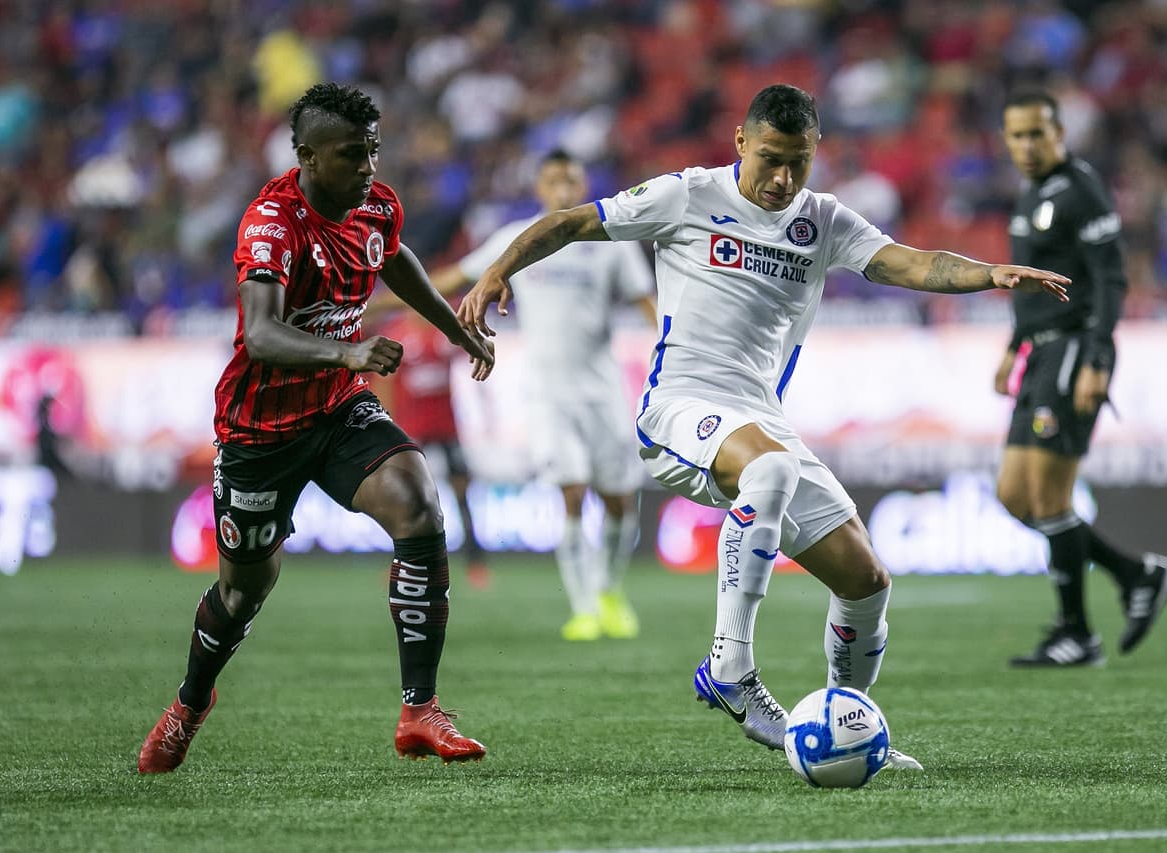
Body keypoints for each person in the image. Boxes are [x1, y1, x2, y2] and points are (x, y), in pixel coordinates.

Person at [458, 84, 1069, 765]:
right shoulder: (687, 195)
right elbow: (569, 222)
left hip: (761, 419)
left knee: (866, 581)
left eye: (799, 163)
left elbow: (910, 261)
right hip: (680, 408)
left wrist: (991, 274)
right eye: (771, 159)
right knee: (770, 468)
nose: (783, 179)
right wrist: (495, 273)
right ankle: (731, 671)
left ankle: (847, 722)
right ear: (741, 143)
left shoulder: (824, 220)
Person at [137, 82, 496, 773]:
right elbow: (264, 333)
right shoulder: (272, 222)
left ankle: (420, 707)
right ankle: (190, 700)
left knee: (418, 505)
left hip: (335, 408)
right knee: (244, 591)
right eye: (350, 156)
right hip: (260, 429)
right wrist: (351, 350)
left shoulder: (376, 204)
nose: (367, 168)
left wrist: (456, 329)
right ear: (305, 155)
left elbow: (395, 258)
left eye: (372, 152)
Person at [431, 149, 657, 641]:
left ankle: (610, 590)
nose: (562, 188)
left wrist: (672, 350)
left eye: (570, 180)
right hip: (549, 393)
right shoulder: (520, 239)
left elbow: (647, 304)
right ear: (539, 187)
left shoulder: (608, 240)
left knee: (618, 500)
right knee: (572, 493)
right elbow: (456, 277)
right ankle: (583, 607)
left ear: (581, 186)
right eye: (553, 179)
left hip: (602, 389)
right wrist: (386, 294)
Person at [995, 89, 1167, 668]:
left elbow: (1109, 280)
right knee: (1013, 496)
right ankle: (1136, 573)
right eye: (1017, 135)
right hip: (1040, 355)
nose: (1027, 145)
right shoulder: (1031, 195)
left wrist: (1098, 359)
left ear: (1059, 133)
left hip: (1075, 352)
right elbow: (1034, 286)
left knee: (1049, 497)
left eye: (1037, 134)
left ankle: (1075, 633)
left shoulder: (1081, 189)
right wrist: (1013, 347)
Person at [377, 307, 491, 590]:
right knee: (407, 498)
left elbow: (469, 350)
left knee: (462, 494)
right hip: (412, 431)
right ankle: (401, 563)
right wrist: (387, 422)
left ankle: (476, 563)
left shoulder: (443, 335)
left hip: (448, 430)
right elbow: (385, 382)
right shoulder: (399, 336)